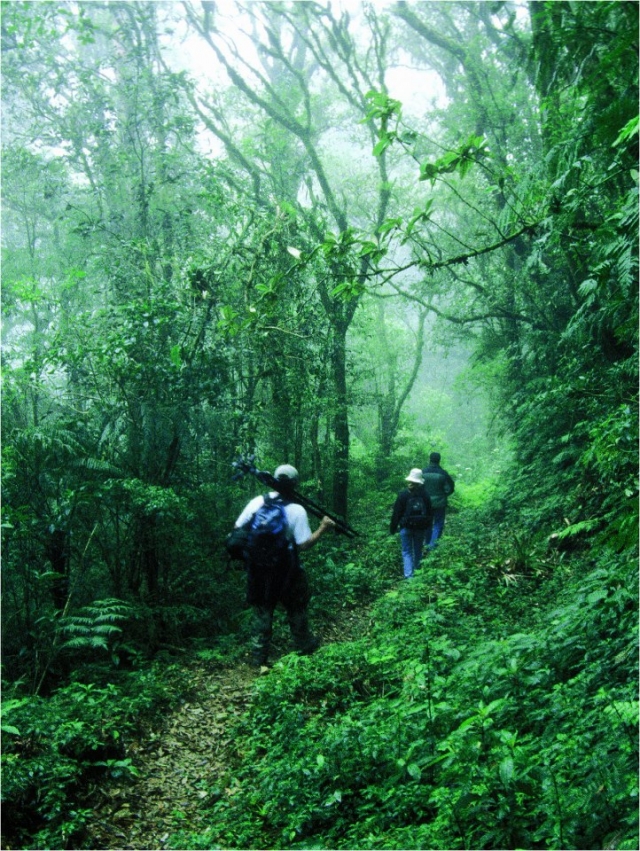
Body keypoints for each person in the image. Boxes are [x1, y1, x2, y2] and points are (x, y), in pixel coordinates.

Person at [234, 464, 335, 667]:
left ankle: (258, 656)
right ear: (295, 483)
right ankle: (303, 646)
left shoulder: (257, 502)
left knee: (262, 609)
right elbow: (303, 544)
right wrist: (323, 528)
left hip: (258, 569)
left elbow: (238, 529)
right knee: (296, 605)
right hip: (286, 569)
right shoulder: (296, 509)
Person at [390, 468, 433, 579]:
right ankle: (418, 573)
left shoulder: (403, 494)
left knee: (406, 551)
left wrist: (393, 528)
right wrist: (428, 526)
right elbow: (429, 512)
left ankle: (409, 576)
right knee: (418, 550)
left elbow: (397, 513)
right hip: (420, 527)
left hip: (406, 527)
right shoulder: (425, 495)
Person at [422, 452, 455, 550]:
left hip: (425, 503)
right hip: (440, 504)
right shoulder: (443, 473)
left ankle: (427, 544)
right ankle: (432, 547)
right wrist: (444, 496)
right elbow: (450, 488)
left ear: (430, 459)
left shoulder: (423, 472)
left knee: (427, 523)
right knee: (438, 524)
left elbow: (418, 487)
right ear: (439, 460)